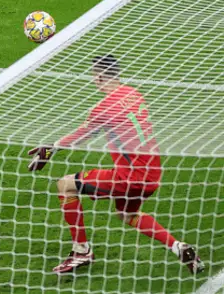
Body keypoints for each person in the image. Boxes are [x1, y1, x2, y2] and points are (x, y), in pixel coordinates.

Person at [27, 55, 204, 275]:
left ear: (100, 76)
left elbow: (82, 134)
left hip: (129, 177)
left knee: (65, 185)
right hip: (152, 175)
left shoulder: (103, 108)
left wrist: (49, 148)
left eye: (94, 75)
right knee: (127, 214)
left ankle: (81, 251)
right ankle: (177, 247)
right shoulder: (134, 94)